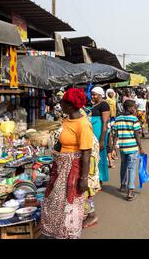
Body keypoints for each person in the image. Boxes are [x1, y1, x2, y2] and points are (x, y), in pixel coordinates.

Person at [41, 88, 92, 239]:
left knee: (70, 204)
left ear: (69, 105)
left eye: (62, 101)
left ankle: (69, 233)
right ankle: (57, 232)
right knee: (53, 202)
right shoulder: (67, 120)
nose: (60, 103)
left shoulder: (83, 124)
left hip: (73, 169)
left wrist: (83, 178)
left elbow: (86, 153)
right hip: (60, 168)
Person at [112, 100, 145, 201]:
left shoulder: (118, 119)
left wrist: (114, 147)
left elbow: (115, 135)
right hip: (132, 148)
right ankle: (130, 192)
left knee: (123, 166)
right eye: (134, 107)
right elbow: (137, 135)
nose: (135, 109)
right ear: (129, 108)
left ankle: (122, 186)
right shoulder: (134, 119)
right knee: (131, 168)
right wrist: (141, 148)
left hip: (123, 147)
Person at [90, 87, 111, 181]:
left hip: (100, 134)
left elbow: (105, 123)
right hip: (94, 133)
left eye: (94, 94)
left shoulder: (104, 104)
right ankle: (94, 178)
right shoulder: (95, 104)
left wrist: (102, 140)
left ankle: (100, 179)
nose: (92, 96)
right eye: (92, 94)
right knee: (93, 155)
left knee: (100, 156)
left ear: (100, 94)